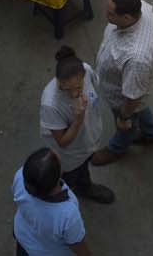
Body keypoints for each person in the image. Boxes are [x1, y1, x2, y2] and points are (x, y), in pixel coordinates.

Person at [91, 0, 153, 165]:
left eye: (110, 14)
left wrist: (124, 117)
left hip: (123, 95)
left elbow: (132, 97)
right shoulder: (142, 8)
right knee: (141, 108)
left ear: (127, 18)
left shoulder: (136, 58)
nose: (106, 15)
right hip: (134, 83)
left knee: (128, 122)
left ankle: (117, 148)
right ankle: (152, 134)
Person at [40, 46, 114, 203]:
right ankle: (78, 190)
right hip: (71, 155)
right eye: (67, 88)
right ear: (59, 82)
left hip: (89, 140)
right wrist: (78, 119)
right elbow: (63, 142)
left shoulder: (86, 70)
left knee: (86, 162)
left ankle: (83, 184)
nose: (75, 93)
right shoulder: (51, 104)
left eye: (78, 87)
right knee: (74, 173)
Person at [13, 148, 93, 255]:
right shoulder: (67, 215)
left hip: (22, 236)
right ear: (60, 173)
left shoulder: (20, 176)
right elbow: (77, 245)